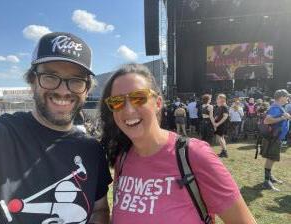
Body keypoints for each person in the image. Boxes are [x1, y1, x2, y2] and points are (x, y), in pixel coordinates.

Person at [99, 63, 256, 224]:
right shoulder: (123, 159)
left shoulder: (194, 155)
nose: (128, 110)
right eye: (117, 101)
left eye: (138, 98)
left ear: (158, 103)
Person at [0, 32, 112, 224]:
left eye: (76, 80)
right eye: (50, 77)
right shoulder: (1, 135)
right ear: (32, 82)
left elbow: (100, 209)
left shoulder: (92, 150)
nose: (63, 91)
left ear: (87, 89)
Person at [260, 89, 291, 191]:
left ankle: (270, 177)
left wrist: (285, 117)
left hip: (276, 137)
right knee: (271, 158)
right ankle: (266, 182)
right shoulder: (275, 107)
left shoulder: (279, 107)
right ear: (281, 97)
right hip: (274, 138)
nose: (288, 98)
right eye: (286, 96)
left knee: (272, 158)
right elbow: (267, 120)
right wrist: (283, 118)